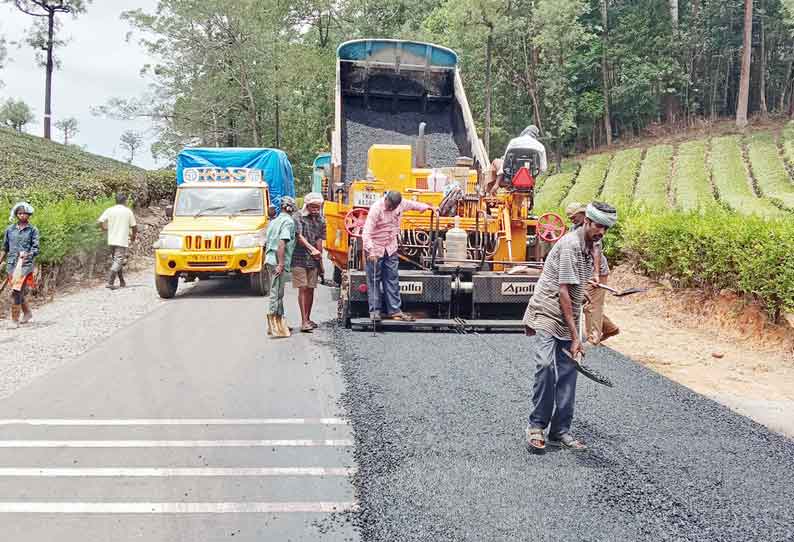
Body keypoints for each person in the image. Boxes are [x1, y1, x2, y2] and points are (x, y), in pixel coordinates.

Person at [523, 202, 618, 453]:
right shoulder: (570, 246)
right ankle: (536, 426)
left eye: (606, 229)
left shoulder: (594, 242)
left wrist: (594, 276)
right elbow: (564, 292)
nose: (601, 232)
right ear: (586, 220)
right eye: (598, 226)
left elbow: (597, 252)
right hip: (549, 307)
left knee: (568, 369)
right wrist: (577, 336)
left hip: (570, 308)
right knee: (545, 365)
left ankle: (560, 430)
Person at [362, 191, 433, 321]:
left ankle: (394, 310)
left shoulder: (402, 204)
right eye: (389, 206)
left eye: (393, 207)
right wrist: (371, 251)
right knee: (374, 280)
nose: (390, 209)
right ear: (386, 200)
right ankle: (375, 312)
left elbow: (413, 205)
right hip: (375, 248)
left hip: (390, 248)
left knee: (392, 279)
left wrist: (428, 207)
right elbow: (366, 233)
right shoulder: (376, 209)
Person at [565, 202, 619, 344]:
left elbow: (596, 251)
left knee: (592, 305)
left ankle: (592, 340)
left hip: (597, 272)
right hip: (584, 271)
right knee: (584, 301)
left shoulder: (595, 230)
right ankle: (609, 328)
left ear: (584, 215)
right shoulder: (574, 229)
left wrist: (595, 274)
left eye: (574, 217)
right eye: (570, 218)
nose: (572, 220)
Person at [1, 202, 40, 329]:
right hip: (12, 265)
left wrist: (27, 254)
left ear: (29, 215)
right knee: (18, 292)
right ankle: (27, 313)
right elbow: (4, 248)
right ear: (16, 214)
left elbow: (36, 249)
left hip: (25, 265)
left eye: (25, 213)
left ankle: (14, 320)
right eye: (20, 213)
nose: (22, 215)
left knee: (15, 291)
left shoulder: (33, 230)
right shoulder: (9, 230)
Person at [264, 196, 298, 337]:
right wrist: (281, 264)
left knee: (278, 292)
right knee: (276, 294)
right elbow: (281, 244)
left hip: (270, 259)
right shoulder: (288, 222)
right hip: (278, 261)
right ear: (291, 208)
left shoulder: (275, 221)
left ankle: (280, 322)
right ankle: (274, 325)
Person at [292, 192, 326, 333]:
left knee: (311, 288)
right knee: (303, 287)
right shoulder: (297, 217)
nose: (315, 210)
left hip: (313, 260)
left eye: (317, 207)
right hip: (299, 258)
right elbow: (299, 237)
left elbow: (319, 240)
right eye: (313, 207)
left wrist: (320, 260)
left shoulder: (321, 220)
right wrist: (312, 249)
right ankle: (304, 321)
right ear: (307, 205)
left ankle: (308, 318)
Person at [485, 125, 548, 195]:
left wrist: (497, 183)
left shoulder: (514, 142)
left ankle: (487, 192)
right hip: (529, 181)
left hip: (511, 178)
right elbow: (543, 169)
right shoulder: (540, 146)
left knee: (496, 161)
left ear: (524, 132)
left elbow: (504, 163)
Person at [97, 193, 138, 290]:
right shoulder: (127, 211)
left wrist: (104, 228)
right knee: (118, 261)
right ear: (125, 201)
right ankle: (110, 282)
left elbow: (99, 221)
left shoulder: (109, 210)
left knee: (116, 260)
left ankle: (122, 281)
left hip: (111, 240)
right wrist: (133, 236)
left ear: (115, 200)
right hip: (121, 240)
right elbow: (134, 226)